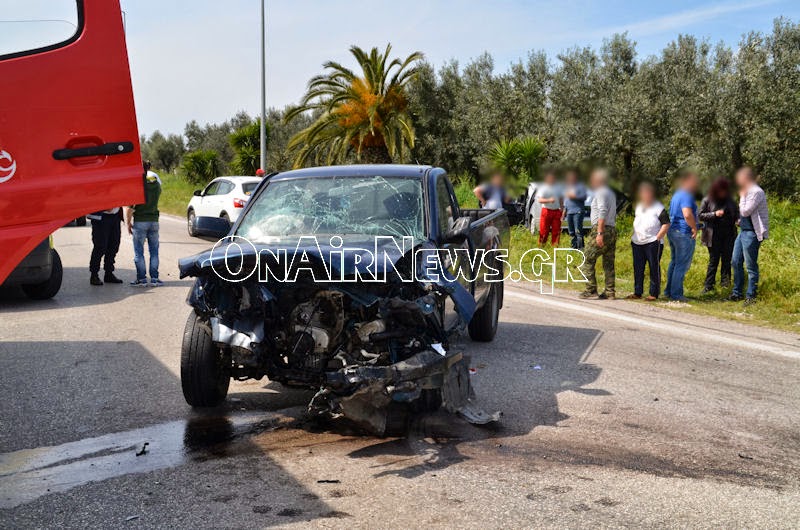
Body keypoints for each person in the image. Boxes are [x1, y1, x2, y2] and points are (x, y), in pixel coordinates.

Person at [729, 167, 769, 306]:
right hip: (743, 231)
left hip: (752, 233)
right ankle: (736, 293)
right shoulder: (748, 192)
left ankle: (751, 296)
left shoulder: (756, 192)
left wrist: (741, 196)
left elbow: (746, 211)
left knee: (751, 266)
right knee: (735, 261)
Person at [627, 182, 669, 301]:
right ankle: (637, 292)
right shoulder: (639, 206)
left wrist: (657, 238)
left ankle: (653, 294)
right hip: (637, 242)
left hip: (652, 243)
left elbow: (666, 224)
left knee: (653, 267)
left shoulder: (658, 207)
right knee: (638, 268)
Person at [579, 169, 617, 300]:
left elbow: (602, 211)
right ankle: (610, 291)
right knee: (608, 262)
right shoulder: (610, 192)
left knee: (587, 258)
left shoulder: (601, 192)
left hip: (602, 228)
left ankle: (591, 289)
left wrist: (600, 232)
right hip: (612, 229)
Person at [698, 177, 738, 293]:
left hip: (729, 235)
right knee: (713, 261)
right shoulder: (707, 199)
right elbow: (700, 215)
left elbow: (737, 214)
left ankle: (725, 285)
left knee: (727, 260)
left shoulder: (731, 200)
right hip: (713, 235)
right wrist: (714, 214)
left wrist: (738, 220)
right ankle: (708, 286)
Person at [663, 172, 699, 301]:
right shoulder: (686, 195)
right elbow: (687, 214)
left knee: (674, 262)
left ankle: (669, 291)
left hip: (672, 231)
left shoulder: (677, 194)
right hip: (683, 233)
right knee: (681, 264)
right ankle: (677, 294)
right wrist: (694, 227)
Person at [126, 161, 163, 287]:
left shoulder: (137, 187)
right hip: (154, 221)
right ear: (149, 168)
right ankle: (154, 278)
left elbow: (130, 209)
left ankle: (141, 279)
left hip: (140, 221)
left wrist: (128, 224)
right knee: (154, 252)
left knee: (139, 253)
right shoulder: (156, 185)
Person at [87, 206, 123, 286]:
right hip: (101, 217)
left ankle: (109, 273)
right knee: (100, 247)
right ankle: (94, 275)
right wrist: (105, 206)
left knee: (114, 245)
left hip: (115, 216)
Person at [537, 170, 563, 246]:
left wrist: (562, 208)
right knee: (544, 231)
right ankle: (542, 246)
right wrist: (549, 200)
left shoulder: (558, 187)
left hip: (557, 211)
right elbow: (540, 200)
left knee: (556, 231)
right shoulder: (543, 188)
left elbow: (561, 198)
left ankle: (555, 248)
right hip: (546, 210)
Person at [563, 169, 587, 249]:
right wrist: (564, 212)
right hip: (569, 212)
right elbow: (566, 200)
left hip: (578, 211)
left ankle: (580, 248)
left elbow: (584, 197)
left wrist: (574, 196)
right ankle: (574, 247)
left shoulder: (580, 186)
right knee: (571, 232)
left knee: (578, 231)